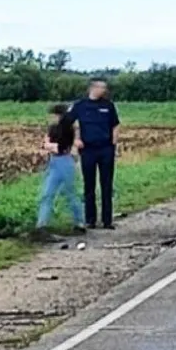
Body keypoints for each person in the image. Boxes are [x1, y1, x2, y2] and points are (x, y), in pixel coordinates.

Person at [66, 77, 120, 229]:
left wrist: (114, 143)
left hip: (106, 149)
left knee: (107, 184)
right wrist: (74, 141)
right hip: (88, 149)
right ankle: (90, 219)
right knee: (89, 185)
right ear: (93, 88)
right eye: (102, 87)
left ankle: (107, 220)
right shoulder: (80, 106)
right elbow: (66, 123)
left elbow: (115, 125)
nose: (104, 90)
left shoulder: (108, 106)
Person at [35, 104, 86, 236]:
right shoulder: (52, 128)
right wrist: (49, 145)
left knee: (70, 193)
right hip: (54, 161)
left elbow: (60, 147)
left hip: (64, 161)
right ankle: (42, 224)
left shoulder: (68, 129)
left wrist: (48, 145)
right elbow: (46, 144)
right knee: (47, 194)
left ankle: (79, 222)